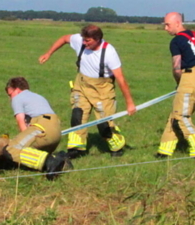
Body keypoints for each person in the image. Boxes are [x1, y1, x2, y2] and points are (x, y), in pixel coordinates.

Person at [39, 24, 136, 157]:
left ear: (97, 39)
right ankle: (76, 149)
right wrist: (48, 53)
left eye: (88, 40)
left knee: (104, 124)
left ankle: (117, 146)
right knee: (77, 116)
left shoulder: (109, 52)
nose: (84, 43)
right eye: (83, 39)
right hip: (81, 85)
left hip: (103, 90)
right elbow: (64, 39)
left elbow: (120, 78)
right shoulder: (81, 40)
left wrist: (130, 103)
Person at [157, 12, 195, 158]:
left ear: (177, 23)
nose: (165, 28)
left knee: (181, 116)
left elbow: (176, 67)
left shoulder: (176, 41)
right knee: (176, 113)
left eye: (167, 25)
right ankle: (165, 150)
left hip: (189, 78)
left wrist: (179, 82)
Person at [4, 77, 70, 178]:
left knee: (11, 149)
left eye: (10, 94)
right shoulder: (37, 96)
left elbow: (20, 121)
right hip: (55, 131)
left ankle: (50, 162)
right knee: (28, 154)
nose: (10, 98)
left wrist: (21, 141)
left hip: (41, 126)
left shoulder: (18, 98)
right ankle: (61, 159)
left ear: (17, 89)